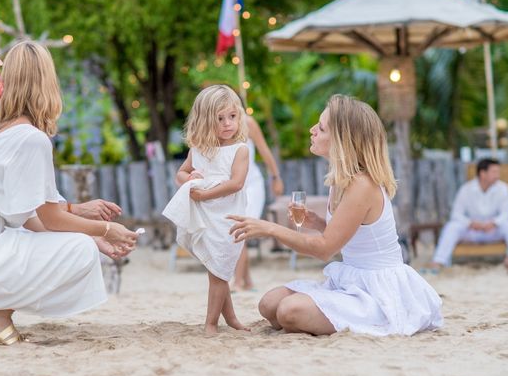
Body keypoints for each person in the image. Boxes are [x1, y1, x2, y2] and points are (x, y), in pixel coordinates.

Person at [0, 41, 138, 345]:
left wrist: (95, 238)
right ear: (46, 83)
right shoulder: (30, 138)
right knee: (79, 253)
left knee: (79, 243)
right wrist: (106, 229)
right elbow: (50, 217)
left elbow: (30, 219)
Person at [228, 95, 443, 336]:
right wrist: (319, 223)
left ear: (342, 141)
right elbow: (347, 236)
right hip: (351, 279)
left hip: (378, 289)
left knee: (289, 311)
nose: (312, 130)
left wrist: (270, 228)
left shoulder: (362, 185)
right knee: (268, 304)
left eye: (320, 128)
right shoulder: (339, 181)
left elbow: (324, 249)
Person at [0, 110, 126, 259]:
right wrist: (98, 226)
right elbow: (27, 206)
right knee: (72, 250)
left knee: (75, 244)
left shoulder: (21, 135)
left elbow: (34, 207)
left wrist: (91, 235)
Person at [163, 85, 249, 335]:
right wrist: (190, 180)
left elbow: (236, 183)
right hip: (204, 217)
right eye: (219, 118)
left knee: (219, 269)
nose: (227, 124)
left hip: (227, 216)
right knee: (217, 270)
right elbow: (181, 173)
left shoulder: (240, 149)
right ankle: (227, 319)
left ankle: (212, 322)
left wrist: (204, 194)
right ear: (204, 120)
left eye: (232, 117)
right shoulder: (199, 149)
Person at [428, 158, 508, 269]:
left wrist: (494, 223)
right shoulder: (466, 189)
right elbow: (456, 214)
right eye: (494, 172)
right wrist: (471, 223)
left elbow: (507, 213)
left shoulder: (503, 188)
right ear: (483, 173)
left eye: (498, 172)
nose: (498, 175)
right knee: (452, 227)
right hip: (472, 231)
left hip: (493, 230)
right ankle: (439, 261)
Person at [232, 116, 284, 291]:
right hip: (233, 185)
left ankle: (238, 282)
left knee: (240, 228)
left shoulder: (248, 123)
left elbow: (265, 151)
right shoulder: (217, 125)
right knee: (235, 228)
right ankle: (247, 281)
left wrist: (276, 177)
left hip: (251, 184)